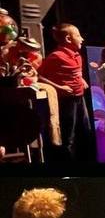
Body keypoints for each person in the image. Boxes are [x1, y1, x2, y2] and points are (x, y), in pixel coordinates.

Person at [37, 23, 91, 160]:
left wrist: (81, 79)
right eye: (78, 36)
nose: (82, 39)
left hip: (80, 98)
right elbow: (39, 76)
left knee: (85, 130)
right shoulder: (56, 56)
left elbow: (75, 73)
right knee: (68, 134)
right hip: (66, 101)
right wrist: (59, 87)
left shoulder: (77, 56)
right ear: (68, 39)